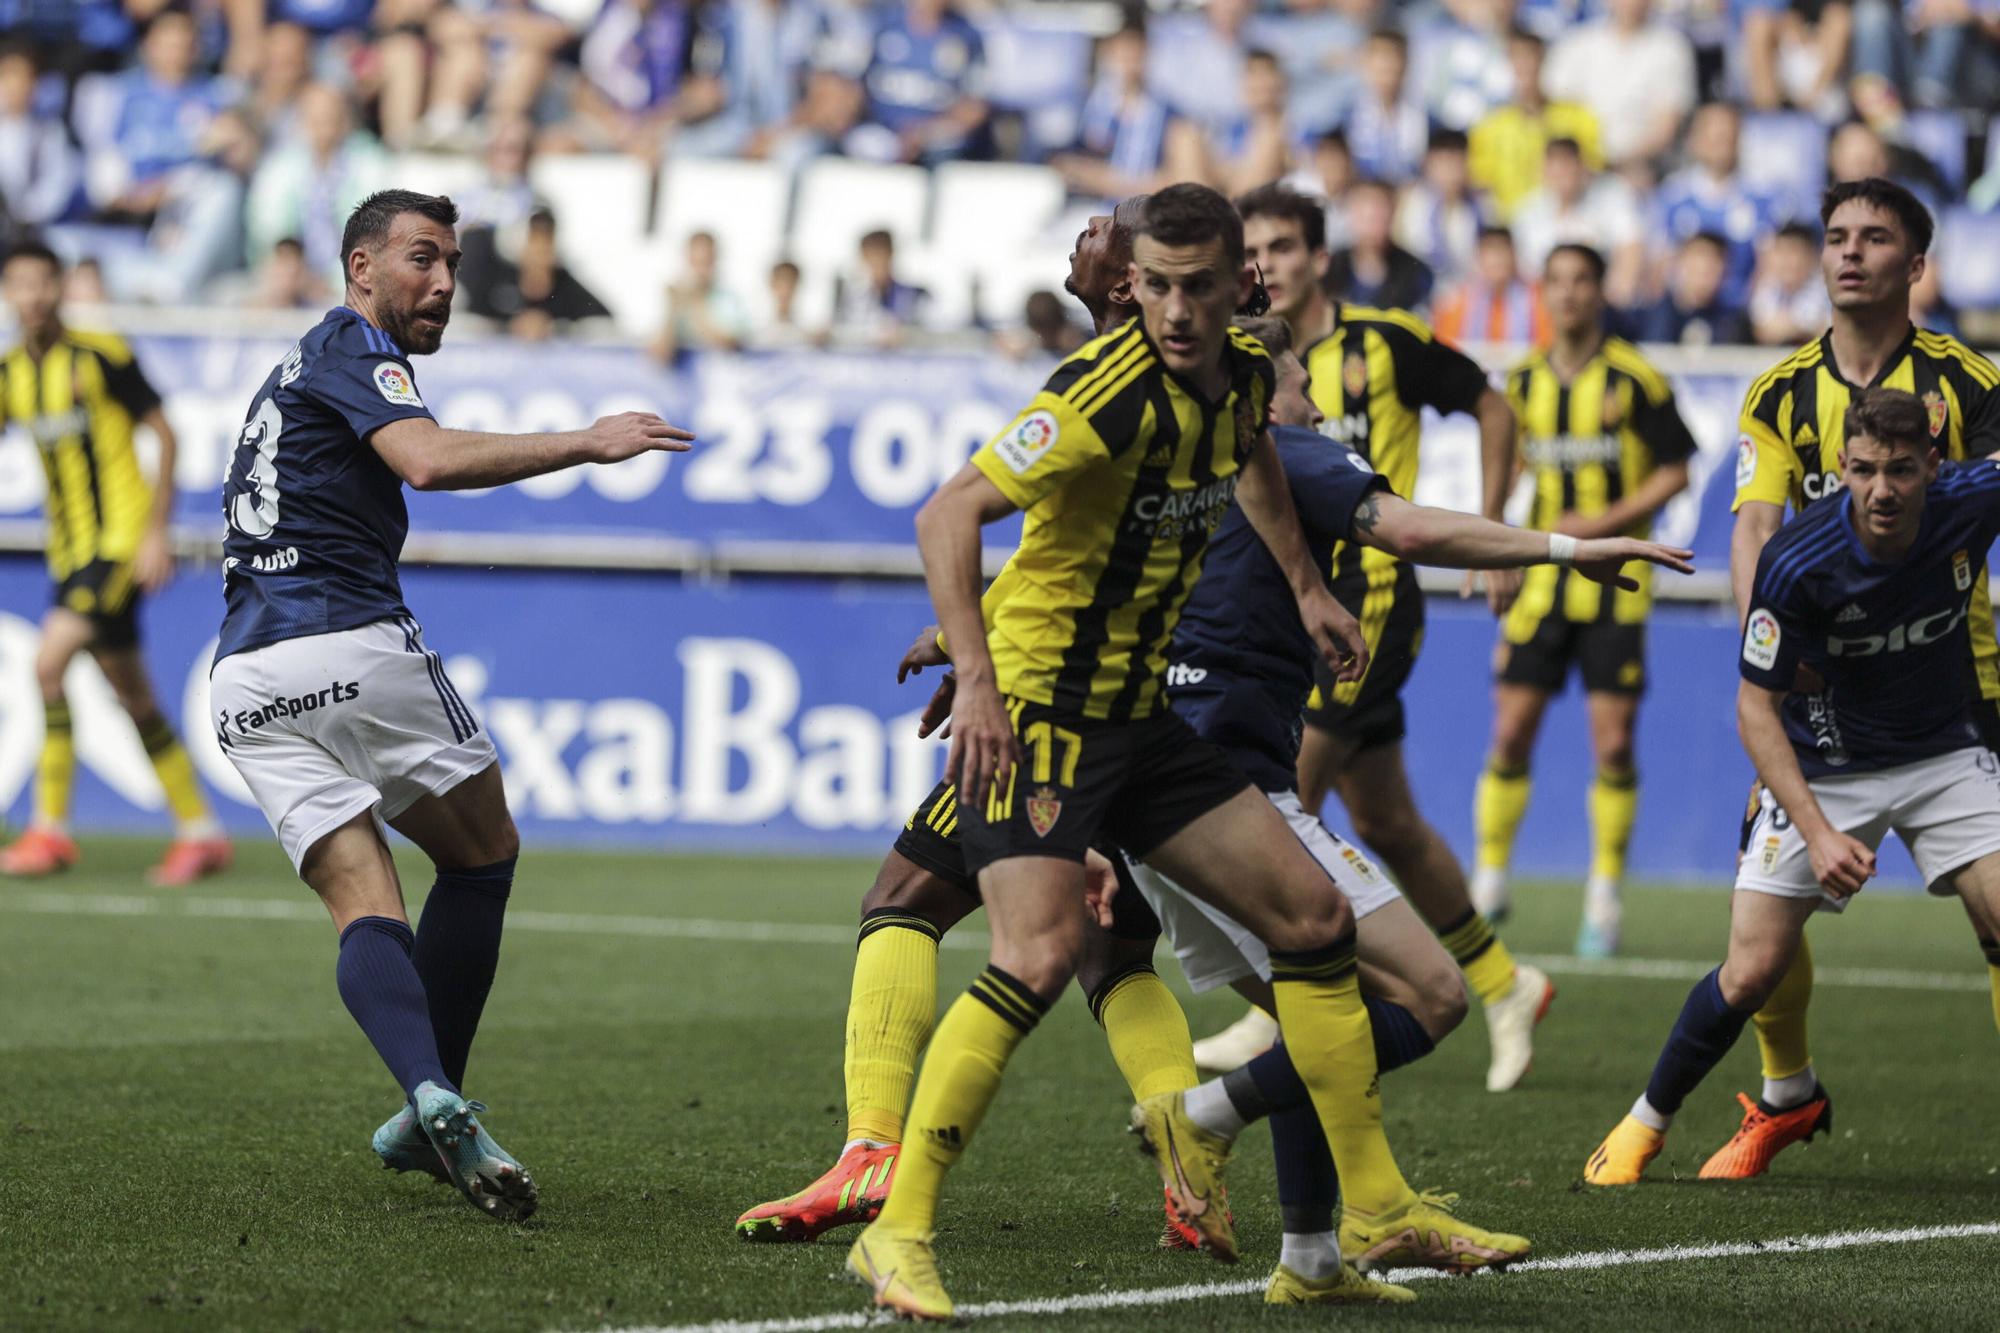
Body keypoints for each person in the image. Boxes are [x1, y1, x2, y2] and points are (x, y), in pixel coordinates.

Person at [845, 184, 1528, 1320]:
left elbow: (1252, 453)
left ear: (1236, 287)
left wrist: (1307, 589)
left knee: (1311, 922)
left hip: (1142, 720)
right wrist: (974, 677)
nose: (1171, 310)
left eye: (1194, 287)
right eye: (1152, 286)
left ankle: (1363, 1210)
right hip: (1041, 711)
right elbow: (945, 514)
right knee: (1034, 954)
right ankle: (898, 1228)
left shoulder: (1246, 381)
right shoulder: (1100, 389)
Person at [1117, 313, 1690, 1300]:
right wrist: (1563, 548)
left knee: (1319, 1016)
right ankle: (1203, 1115)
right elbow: (1415, 528)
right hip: (1222, 786)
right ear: (1262, 382)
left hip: (1149, 785)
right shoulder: (1284, 448)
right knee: (1425, 995)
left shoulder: (1160, 463)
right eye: (1299, 380)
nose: (1313, 399)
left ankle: (1309, 1259)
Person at [733, 198, 1212, 1251]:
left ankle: (876, 1160)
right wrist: (970, 635)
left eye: (1103, 227)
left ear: (1128, 278)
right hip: (1143, 695)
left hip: (1064, 706)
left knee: (918, 901)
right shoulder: (1189, 379)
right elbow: (1073, 556)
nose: (1085, 231)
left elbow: (980, 524)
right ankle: (1191, 1169)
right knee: (1114, 950)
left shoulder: (1110, 385)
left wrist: (986, 667)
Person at [206, 190, 695, 1221]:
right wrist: (587, 441)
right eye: (420, 259)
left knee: (364, 905)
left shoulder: (289, 371)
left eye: (452, 265)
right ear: (360, 266)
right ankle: (439, 1096)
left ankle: (426, 1099)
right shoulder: (352, 346)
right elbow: (423, 460)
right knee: (481, 856)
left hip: (244, 677)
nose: (440, 283)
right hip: (346, 639)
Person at [1584, 388, 2000, 1184]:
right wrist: (1817, 831)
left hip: (1944, 754)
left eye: (1903, 471)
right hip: (1826, 760)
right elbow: (1754, 710)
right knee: (1749, 970)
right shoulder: (1797, 560)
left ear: (1935, 468)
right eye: (1867, 469)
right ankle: (1644, 1124)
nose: (1883, 489)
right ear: (1842, 466)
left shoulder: (1972, 499)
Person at [1225, 183, 1552, 1096]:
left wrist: (1494, 530)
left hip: (1369, 603)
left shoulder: (1386, 341)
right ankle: (1504, 982)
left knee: (1279, 803)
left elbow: (1494, 406)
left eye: (1285, 247)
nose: (1269, 265)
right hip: (1293, 607)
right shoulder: (1245, 357)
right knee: (1388, 822)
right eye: (1255, 249)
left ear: (1320, 257)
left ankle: (1281, 1005)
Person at [1714, 176, 2000, 1180]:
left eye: (1873, 238)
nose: (1846, 252)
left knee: (1993, 909)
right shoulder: (1778, 391)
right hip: (1817, 698)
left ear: (1914, 265)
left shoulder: (1968, 384)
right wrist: (1773, 663)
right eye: (1834, 235)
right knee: (1768, 895)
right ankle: (1785, 1093)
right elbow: (1754, 522)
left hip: (1955, 686)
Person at [1471, 244, 1696, 958]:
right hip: (1541, 584)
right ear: (1543, 292)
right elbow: (1507, 469)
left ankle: (1603, 895)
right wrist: (1496, 543)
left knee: (1615, 742)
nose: (1568, 295)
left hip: (1617, 591)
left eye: (1581, 282)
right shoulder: (1524, 379)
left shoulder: (1634, 378)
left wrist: (1601, 527)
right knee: (1509, 732)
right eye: (1556, 282)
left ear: (1600, 292)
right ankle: (1490, 876)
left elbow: (1676, 471)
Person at [0, 240, 232, 887]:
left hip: (118, 546)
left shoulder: (102, 355)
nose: (32, 296)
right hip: (68, 552)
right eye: (19, 284)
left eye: (42, 282)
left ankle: (49, 829)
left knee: (48, 666)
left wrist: (158, 532)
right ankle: (201, 829)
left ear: (60, 287)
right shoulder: (11, 372)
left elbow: (166, 431)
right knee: (134, 695)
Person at [1749, 221, 1832, 347]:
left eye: (1794, 252)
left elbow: (1827, 332)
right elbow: (1762, 331)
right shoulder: (1767, 285)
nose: (1788, 261)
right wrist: (1804, 326)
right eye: (1782, 252)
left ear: (1811, 257)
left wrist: (1792, 327)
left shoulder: (1828, 289)